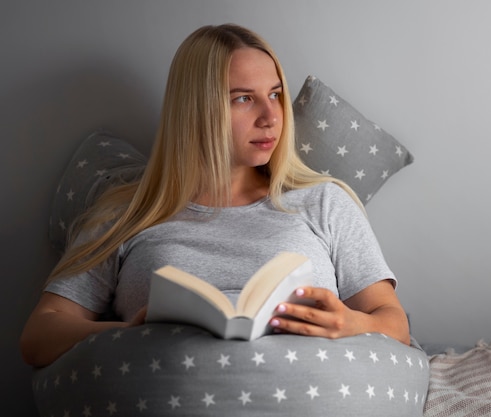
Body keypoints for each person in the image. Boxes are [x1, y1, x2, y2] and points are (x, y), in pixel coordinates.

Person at [20, 23, 411, 368]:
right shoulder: (126, 212)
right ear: (196, 110)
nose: (271, 116)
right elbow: (39, 336)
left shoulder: (325, 202)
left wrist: (350, 322)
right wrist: (125, 332)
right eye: (244, 98)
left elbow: (394, 324)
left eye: (275, 94)